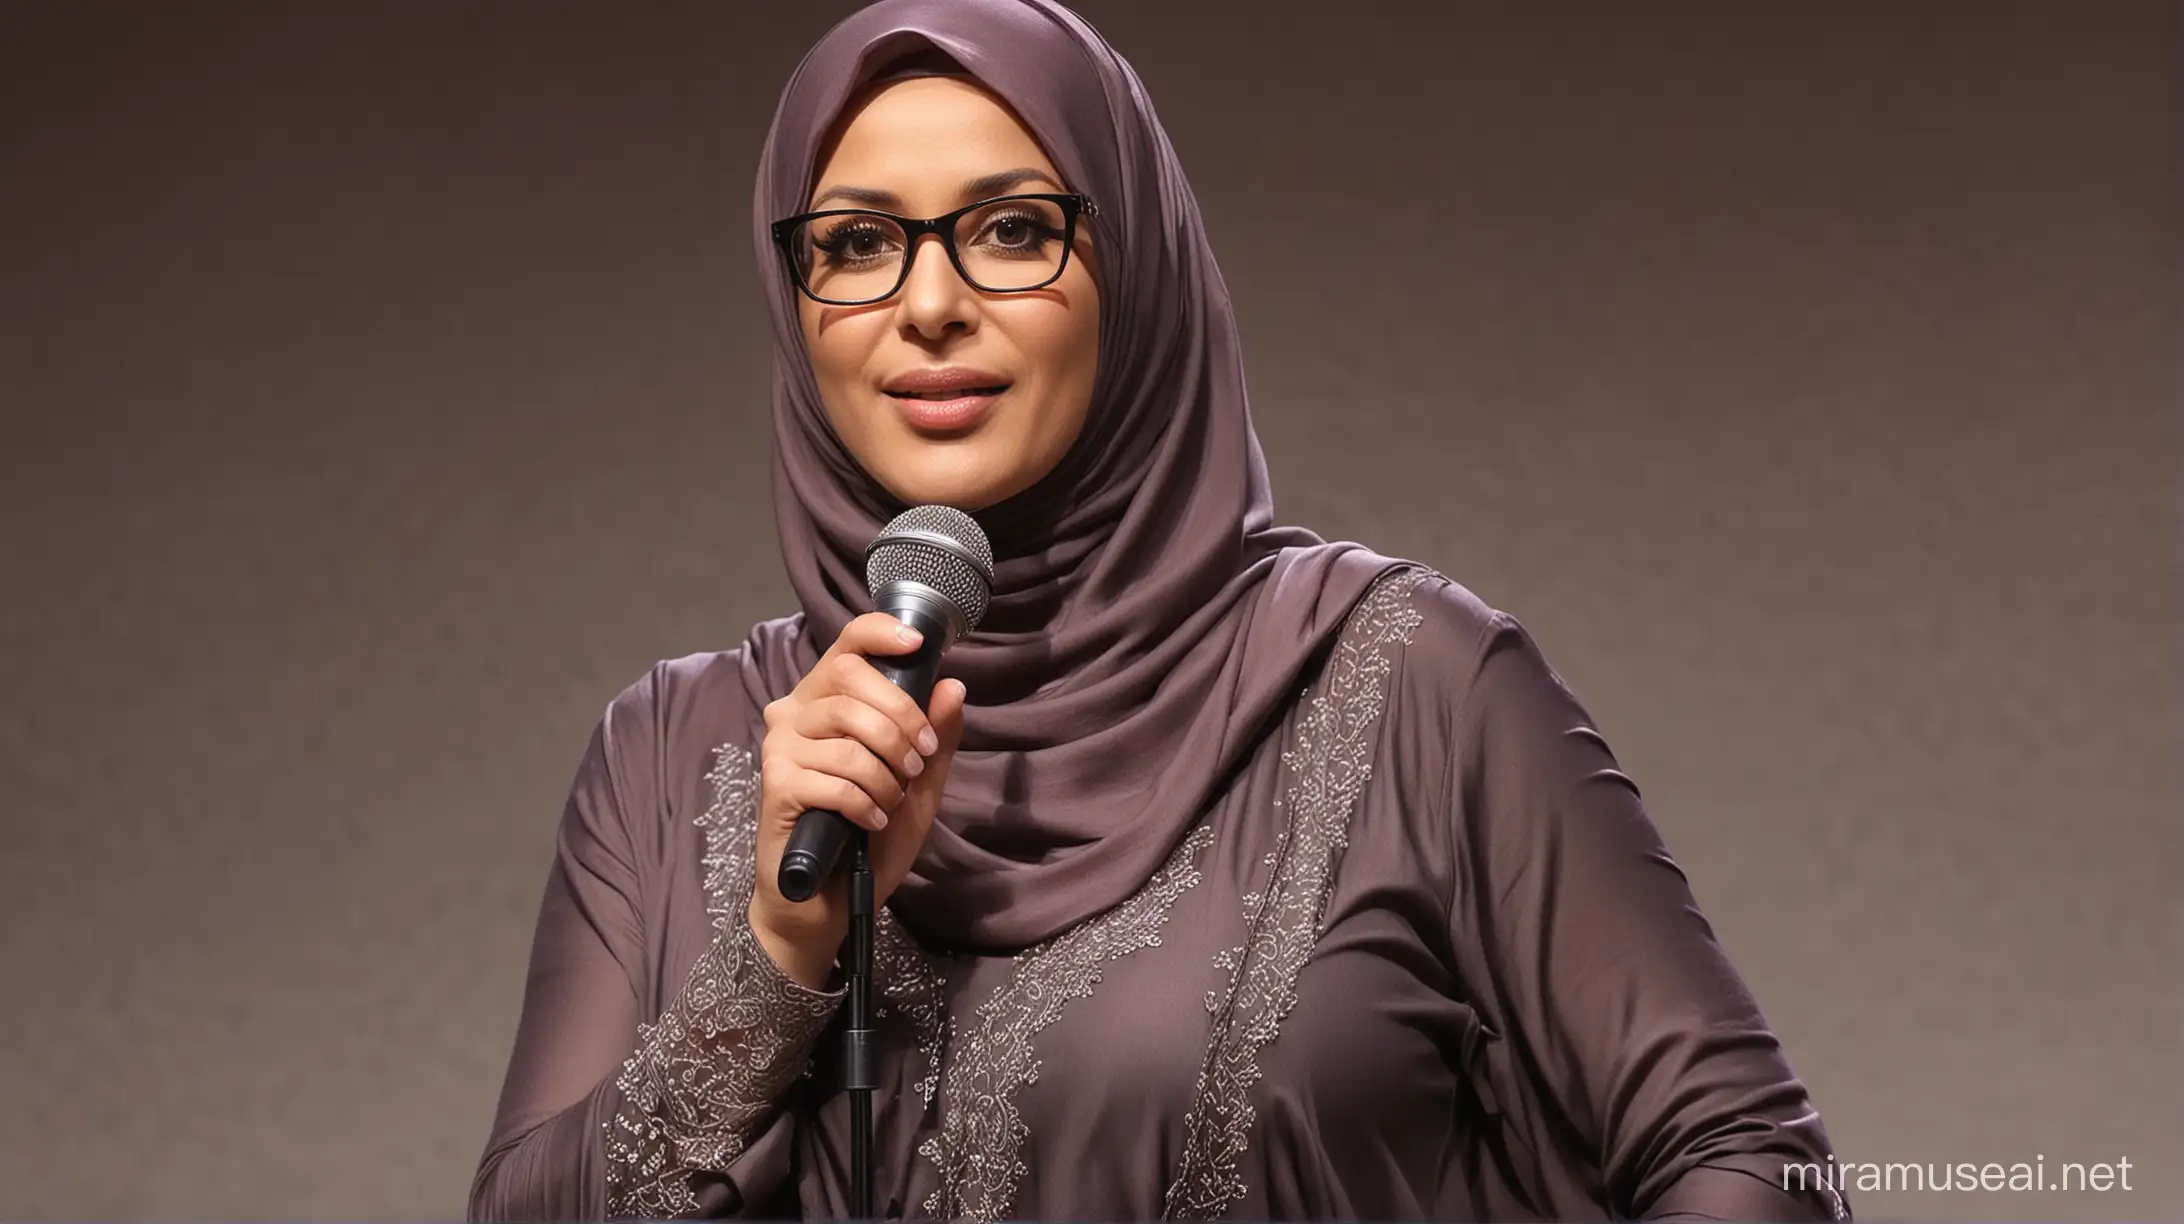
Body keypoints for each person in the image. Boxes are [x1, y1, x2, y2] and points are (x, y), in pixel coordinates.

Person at [467, 1, 1849, 1220]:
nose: (929, 303)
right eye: (860, 243)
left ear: (1132, 266)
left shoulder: (1407, 689)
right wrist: (774, 965)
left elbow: (1748, 1153)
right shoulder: (672, 755)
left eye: (1012, 230)